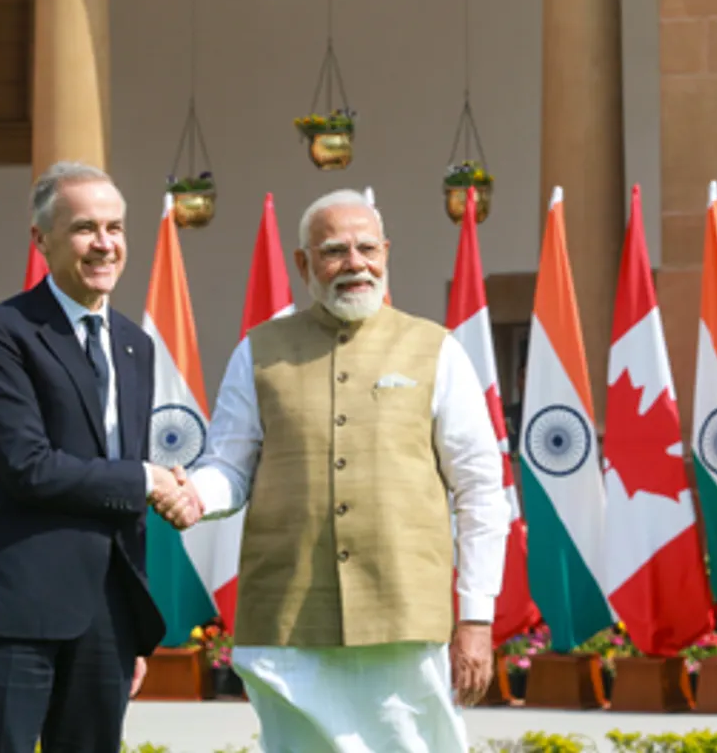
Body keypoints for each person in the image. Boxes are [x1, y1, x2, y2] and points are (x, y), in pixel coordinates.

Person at [155, 188, 510, 752]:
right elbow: (228, 464)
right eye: (334, 251)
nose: (354, 264)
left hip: (403, 615)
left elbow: (481, 491)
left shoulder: (437, 350)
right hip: (288, 618)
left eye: (366, 248)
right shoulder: (259, 351)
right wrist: (196, 494)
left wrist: (476, 617)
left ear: (386, 253)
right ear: (303, 264)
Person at [0, 161, 184, 753]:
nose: (105, 244)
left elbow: (122, 489)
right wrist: (146, 479)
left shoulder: (135, 345)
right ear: (41, 239)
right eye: (85, 228)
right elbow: (28, 466)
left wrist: (129, 625)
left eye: (115, 228)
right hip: (12, 610)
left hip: (106, 617)